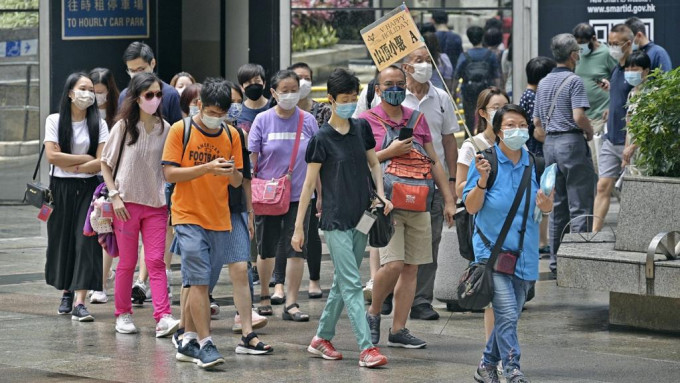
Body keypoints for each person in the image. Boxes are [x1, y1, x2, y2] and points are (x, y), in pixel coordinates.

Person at [164, 78, 271, 368]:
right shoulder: (180, 130)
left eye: (222, 114)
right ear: (199, 105)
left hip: (220, 217)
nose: (217, 118)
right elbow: (170, 175)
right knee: (198, 281)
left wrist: (228, 173)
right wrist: (206, 168)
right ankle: (205, 343)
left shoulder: (233, 135)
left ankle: (186, 340)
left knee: (203, 280)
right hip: (187, 215)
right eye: (212, 111)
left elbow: (239, 179)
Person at [291, 67, 391, 368]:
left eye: (353, 97)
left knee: (341, 284)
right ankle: (366, 348)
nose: (350, 103)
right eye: (345, 98)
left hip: (365, 215)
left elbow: (374, 163)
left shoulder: (361, 129)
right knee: (351, 281)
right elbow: (308, 185)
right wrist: (298, 228)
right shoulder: (321, 139)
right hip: (334, 221)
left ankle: (321, 337)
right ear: (331, 100)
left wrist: (381, 194)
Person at [359, 65, 456, 348]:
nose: (395, 89)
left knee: (412, 267)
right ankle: (374, 312)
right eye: (388, 84)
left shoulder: (417, 118)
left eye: (399, 83)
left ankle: (399, 329)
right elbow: (361, 162)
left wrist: (448, 198)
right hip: (385, 203)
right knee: (394, 263)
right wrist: (390, 152)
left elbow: (433, 159)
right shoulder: (366, 120)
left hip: (418, 198)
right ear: (377, 89)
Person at [465, 104, 554, 383]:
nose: (517, 130)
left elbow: (544, 207)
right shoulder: (485, 162)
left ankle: (486, 364)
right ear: (499, 130)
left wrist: (548, 206)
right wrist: (481, 180)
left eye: (521, 124)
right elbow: (470, 207)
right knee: (505, 310)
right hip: (492, 253)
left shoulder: (534, 162)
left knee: (510, 315)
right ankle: (513, 368)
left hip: (525, 254)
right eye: (510, 125)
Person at [99, 72, 179, 337]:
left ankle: (163, 316)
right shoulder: (121, 127)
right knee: (127, 262)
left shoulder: (166, 128)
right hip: (126, 204)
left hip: (156, 204)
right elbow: (105, 164)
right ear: (136, 98)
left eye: (158, 95)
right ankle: (122, 313)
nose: (155, 99)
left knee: (156, 261)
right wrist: (114, 195)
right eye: (149, 95)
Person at [248, 70, 319, 322]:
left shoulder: (308, 120)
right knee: (266, 249)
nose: (289, 95)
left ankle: (291, 302)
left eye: (294, 90)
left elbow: (315, 161)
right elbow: (252, 161)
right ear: (273, 93)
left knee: (297, 248)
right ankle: (265, 295)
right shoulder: (262, 120)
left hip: (300, 196)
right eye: (284, 90)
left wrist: (319, 195)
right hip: (267, 196)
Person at [44, 72, 109, 321]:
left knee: (85, 242)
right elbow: (52, 156)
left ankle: (81, 301)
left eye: (91, 90)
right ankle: (67, 292)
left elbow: (102, 161)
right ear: (70, 93)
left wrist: (73, 163)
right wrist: (85, 159)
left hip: (88, 190)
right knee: (63, 241)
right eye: (83, 88)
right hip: (60, 189)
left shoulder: (99, 123)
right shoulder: (54, 120)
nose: (88, 94)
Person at [400, 46, 459, 321]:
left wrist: (451, 185)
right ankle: (393, 294)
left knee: (431, 241)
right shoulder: (394, 98)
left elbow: (448, 141)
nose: (425, 66)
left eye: (428, 61)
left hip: (433, 182)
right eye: (418, 61)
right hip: (399, 182)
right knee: (396, 240)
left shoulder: (442, 98)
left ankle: (421, 299)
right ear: (405, 67)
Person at [533, 33, 595, 279]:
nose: (578, 56)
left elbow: (537, 122)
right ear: (572, 55)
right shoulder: (574, 81)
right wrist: (589, 132)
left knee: (558, 207)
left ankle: (557, 263)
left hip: (551, 145)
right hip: (571, 142)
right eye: (577, 52)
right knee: (580, 205)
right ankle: (577, 264)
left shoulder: (544, 82)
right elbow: (579, 116)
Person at [455, 87, 509, 340]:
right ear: (482, 113)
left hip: (512, 229)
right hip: (486, 229)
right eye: (495, 108)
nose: (501, 113)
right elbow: (460, 188)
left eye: (505, 106)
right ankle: (492, 355)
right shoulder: (472, 146)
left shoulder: (513, 144)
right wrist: (483, 180)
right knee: (495, 295)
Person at [288, 62, 331, 300]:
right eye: (298, 78)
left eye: (307, 78)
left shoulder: (321, 113)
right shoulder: (278, 110)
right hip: (285, 182)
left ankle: (314, 279)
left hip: (315, 179)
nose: (302, 83)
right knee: (284, 234)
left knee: (311, 232)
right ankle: (278, 283)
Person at [592, 24, 635, 233]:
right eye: (609, 43)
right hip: (611, 138)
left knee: (631, 192)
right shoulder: (617, 68)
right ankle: (593, 235)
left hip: (628, 141)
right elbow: (620, 98)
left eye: (615, 44)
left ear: (628, 43)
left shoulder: (634, 68)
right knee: (602, 186)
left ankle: (630, 235)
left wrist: (632, 143)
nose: (612, 47)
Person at [87, 67, 119, 304]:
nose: (96, 96)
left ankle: (102, 283)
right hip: (87, 178)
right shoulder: (82, 114)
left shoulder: (118, 115)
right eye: (93, 91)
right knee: (91, 231)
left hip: (109, 182)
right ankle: (93, 278)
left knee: (104, 229)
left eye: (100, 92)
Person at [519, 57, 556, 255]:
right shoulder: (533, 97)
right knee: (543, 197)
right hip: (538, 153)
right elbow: (537, 130)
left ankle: (542, 241)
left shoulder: (528, 95)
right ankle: (542, 242)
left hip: (535, 153)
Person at [573, 23, 618, 172]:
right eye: (577, 43)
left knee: (597, 163)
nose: (581, 47)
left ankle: (609, 195)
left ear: (593, 38)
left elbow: (619, 79)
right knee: (583, 163)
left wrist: (611, 106)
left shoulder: (606, 53)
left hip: (600, 116)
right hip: (581, 116)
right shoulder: (577, 54)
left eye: (583, 43)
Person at [118, 41, 183, 125]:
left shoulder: (170, 94)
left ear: (152, 63)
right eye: (132, 70)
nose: (136, 74)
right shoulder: (125, 95)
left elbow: (177, 131)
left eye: (141, 69)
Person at [455, 26, 501, 135]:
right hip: (487, 89)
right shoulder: (490, 55)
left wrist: (453, 92)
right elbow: (496, 75)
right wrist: (498, 90)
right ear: (482, 37)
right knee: (487, 116)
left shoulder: (464, 55)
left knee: (469, 118)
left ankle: (469, 141)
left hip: (468, 90)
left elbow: (457, 75)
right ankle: (486, 139)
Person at [622, 51, 652, 167]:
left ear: (646, 71)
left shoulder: (652, 94)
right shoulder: (632, 94)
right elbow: (629, 127)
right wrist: (625, 156)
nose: (629, 73)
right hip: (631, 154)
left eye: (634, 70)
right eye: (627, 69)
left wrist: (632, 147)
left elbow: (649, 127)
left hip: (646, 153)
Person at [236, 63, 270, 133]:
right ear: (242, 87)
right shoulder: (237, 111)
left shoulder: (273, 108)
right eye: (248, 82)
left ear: (264, 84)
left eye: (257, 81)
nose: (253, 85)